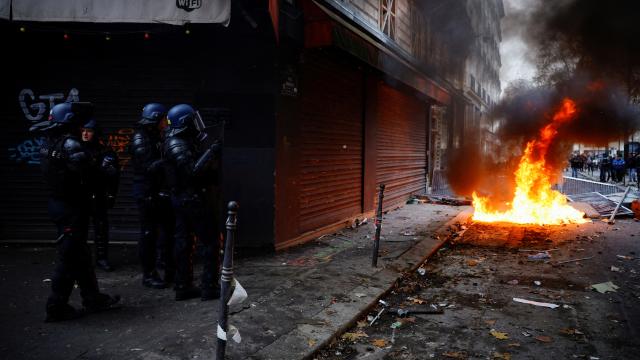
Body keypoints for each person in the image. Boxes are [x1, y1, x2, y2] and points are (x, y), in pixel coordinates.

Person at [33, 102, 120, 322]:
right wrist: (106, 169)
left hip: (60, 205)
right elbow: (90, 174)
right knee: (69, 257)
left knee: (80, 255)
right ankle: (56, 307)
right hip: (71, 208)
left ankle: (93, 298)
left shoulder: (48, 141)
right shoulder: (70, 144)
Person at [163, 104, 221, 301]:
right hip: (191, 199)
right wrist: (211, 153)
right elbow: (192, 172)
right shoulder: (177, 144)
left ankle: (183, 285)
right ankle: (209, 286)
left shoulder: (177, 141)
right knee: (210, 241)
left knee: (184, 242)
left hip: (183, 198)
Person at [130, 103, 175, 289]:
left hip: (158, 191)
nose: (166, 122)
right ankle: (148, 274)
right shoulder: (141, 139)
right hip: (147, 192)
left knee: (165, 230)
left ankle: (164, 264)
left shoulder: (155, 135)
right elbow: (148, 167)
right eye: (164, 119)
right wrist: (169, 159)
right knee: (148, 234)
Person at [81, 119, 120, 272]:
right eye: (83, 130)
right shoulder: (75, 148)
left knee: (101, 228)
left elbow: (114, 177)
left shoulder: (105, 151)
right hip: (81, 195)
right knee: (79, 230)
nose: (85, 133)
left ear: (95, 133)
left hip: (98, 195)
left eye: (88, 131)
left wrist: (111, 195)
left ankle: (102, 259)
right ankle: (82, 260)